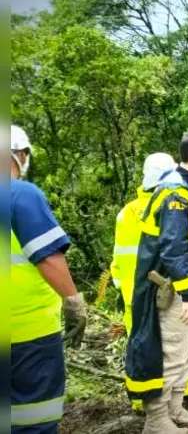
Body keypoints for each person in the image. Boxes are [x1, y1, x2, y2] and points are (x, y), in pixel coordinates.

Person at [125, 131, 188, 434]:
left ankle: (175, 408)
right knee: (172, 348)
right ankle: (156, 420)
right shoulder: (176, 195)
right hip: (174, 287)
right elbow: (173, 247)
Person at [10, 125, 88, 434]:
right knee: (33, 418)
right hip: (25, 335)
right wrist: (74, 303)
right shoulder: (19, 194)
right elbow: (48, 257)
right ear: (21, 155)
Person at [109, 152, 176, 413]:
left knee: (137, 341)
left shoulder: (126, 212)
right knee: (166, 342)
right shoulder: (167, 206)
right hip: (159, 287)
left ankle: (139, 399)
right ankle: (173, 397)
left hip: (130, 288)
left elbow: (118, 255)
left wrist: (119, 283)